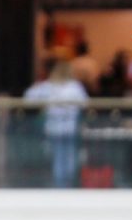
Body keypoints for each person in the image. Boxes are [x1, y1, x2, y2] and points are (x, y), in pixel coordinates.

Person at [25, 54, 89, 189]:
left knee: (60, 158)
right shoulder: (73, 86)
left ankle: (62, 186)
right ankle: (64, 186)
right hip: (66, 128)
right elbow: (84, 103)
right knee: (67, 158)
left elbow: (29, 97)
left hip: (59, 128)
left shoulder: (51, 86)